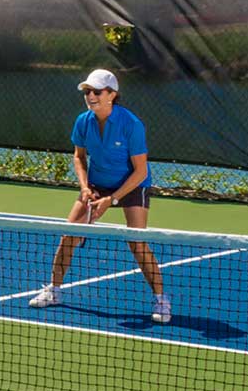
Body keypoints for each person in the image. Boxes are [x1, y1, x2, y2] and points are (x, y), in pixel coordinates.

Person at [29, 69, 171, 324]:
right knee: (69, 234)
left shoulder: (132, 124)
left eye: (96, 91)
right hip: (96, 184)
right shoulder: (83, 121)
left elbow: (141, 172)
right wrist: (85, 187)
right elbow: (79, 157)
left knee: (136, 243)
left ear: (112, 95)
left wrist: (113, 199)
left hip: (131, 185)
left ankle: (161, 300)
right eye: (87, 92)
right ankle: (54, 290)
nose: (90, 96)